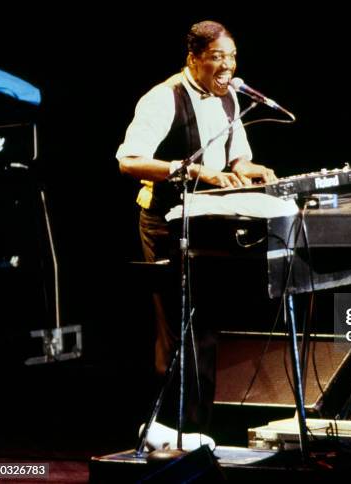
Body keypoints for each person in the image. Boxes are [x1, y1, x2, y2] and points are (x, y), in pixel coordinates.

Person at [116, 20, 277, 431]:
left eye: (233, 56)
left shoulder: (231, 98)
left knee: (203, 329)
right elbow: (129, 160)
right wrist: (195, 171)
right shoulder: (163, 97)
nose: (228, 65)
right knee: (178, 332)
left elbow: (237, 157)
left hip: (207, 225)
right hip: (164, 224)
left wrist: (252, 169)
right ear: (194, 59)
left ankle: (195, 433)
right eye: (217, 57)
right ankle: (169, 431)